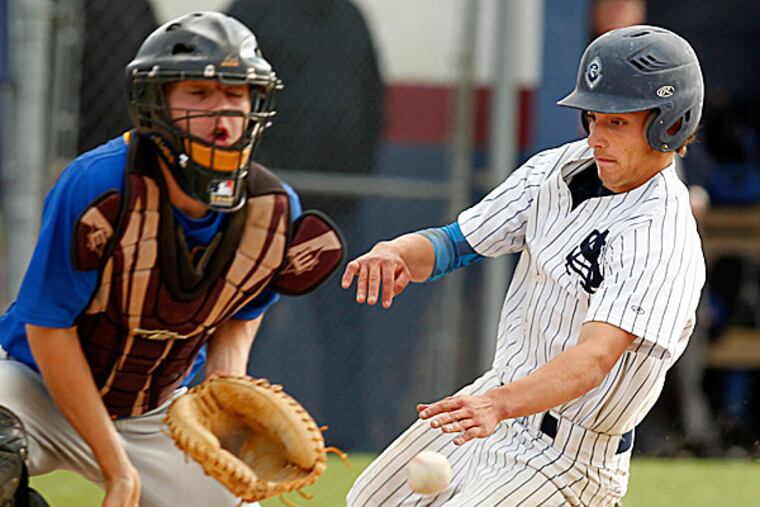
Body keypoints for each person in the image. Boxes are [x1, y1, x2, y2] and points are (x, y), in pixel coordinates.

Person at [343, 25, 705, 506]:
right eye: (592, 117)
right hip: (494, 404)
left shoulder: (662, 234)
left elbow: (593, 361)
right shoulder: (557, 169)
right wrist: (399, 251)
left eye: (616, 122)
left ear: (671, 124)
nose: (596, 136)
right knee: (366, 501)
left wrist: (498, 405)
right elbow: (457, 243)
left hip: (567, 458)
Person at [0, 12, 341, 507]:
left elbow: (241, 310)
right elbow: (49, 329)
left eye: (236, 95)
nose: (222, 115)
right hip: (37, 390)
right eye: (198, 95)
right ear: (156, 104)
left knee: (231, 499)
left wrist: (225, 386)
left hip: (155, 410)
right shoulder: (99, 185)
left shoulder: (272, 208)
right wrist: (116, 468)